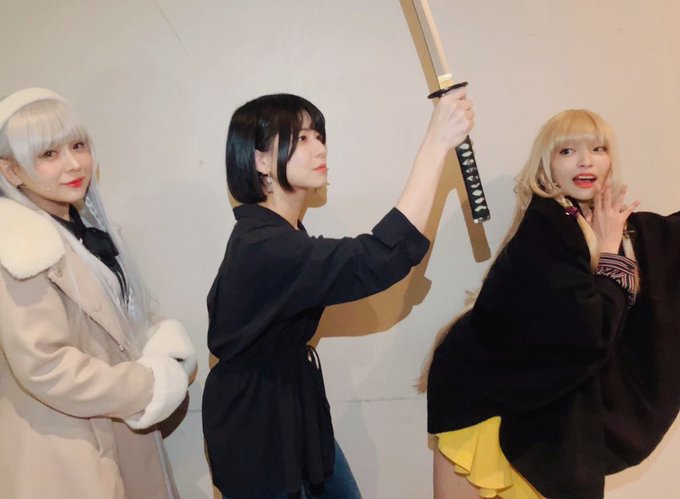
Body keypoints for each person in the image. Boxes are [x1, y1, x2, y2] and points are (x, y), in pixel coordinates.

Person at [202, 90, 474, 499]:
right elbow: (377, 258)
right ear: (260, 161)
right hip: (257, 427)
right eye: (301, 138)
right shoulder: (264, 246)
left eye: (318, 135)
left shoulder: (280, 233)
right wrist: (435, 145)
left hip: (295, 407)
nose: (319, 148)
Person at [426, 109, 680, 499]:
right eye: (567, 151)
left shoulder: (613, 224)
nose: (585, 161)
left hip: (536, 408)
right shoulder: (545, 230)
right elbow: (588, 334)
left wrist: (612, 243)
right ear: (547, 165)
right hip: (481, 399)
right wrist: (610, 259)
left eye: (598, 149)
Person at [0, 88, 196, 499]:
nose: (74, 164)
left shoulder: (87, 231)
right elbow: (46, 366)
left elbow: (124, 313)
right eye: (48, 154)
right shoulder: (19, 248)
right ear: (11, 171)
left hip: (120, 434)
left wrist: (165, 342)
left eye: (78, 146)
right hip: (71, 452)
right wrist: (148, 385)